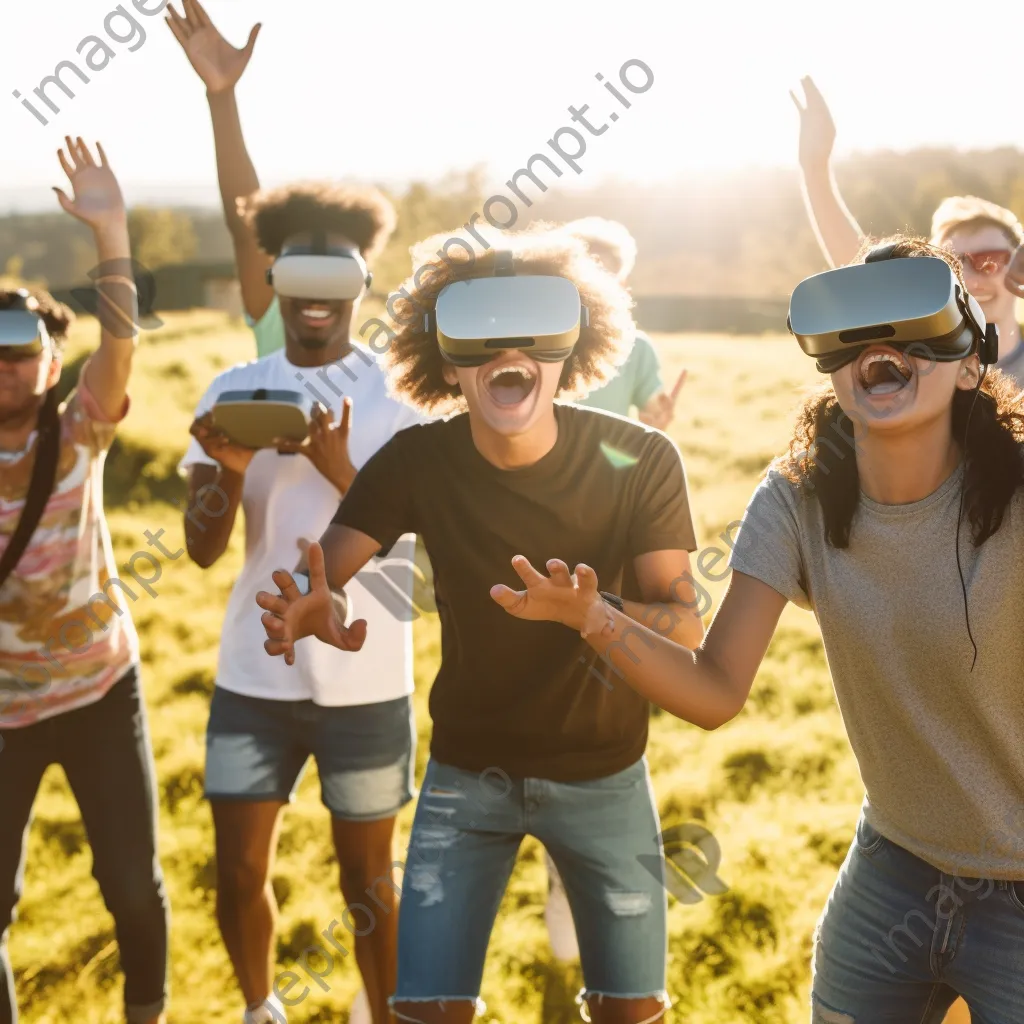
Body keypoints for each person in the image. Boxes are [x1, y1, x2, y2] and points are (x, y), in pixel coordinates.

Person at [498, 235, 1024, 1021]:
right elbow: (715, 691)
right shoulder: (800, 494)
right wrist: (595, 617)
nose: (880, 348)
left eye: (915, 324)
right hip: (895, 866)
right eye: (853, 331)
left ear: (971, 357)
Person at [256, 226, 706, 1024]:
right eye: (479, 334)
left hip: (605, 776)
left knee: (632, 1012)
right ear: (446, 358)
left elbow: (683, 628)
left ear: (576, 344)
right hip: (465, 779)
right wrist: (311, 603)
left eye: (538, 329)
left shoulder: (641, 457)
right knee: (426, 1012)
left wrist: (591, 613)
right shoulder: (414, 461)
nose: (511, 350)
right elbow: (327, 571)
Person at [0, 139, 169, 1024]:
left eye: (24, 347)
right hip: (1, 712)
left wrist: (111, 229)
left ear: (51, 364)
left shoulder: (78, 434)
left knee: (134, 891)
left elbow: (121, 340)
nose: (9, 364)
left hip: (102, 689)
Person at [790, 75, 1024, 388]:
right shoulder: (915, 361)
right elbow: (860, 265)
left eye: (989, 260)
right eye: (953, 265)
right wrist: (815, 167)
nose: (973, 277)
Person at [565, 217, 688, 428]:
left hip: (605, 461)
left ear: (621, 285)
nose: (591, 290)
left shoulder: (636, 348)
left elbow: (652, 408)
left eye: (604, 277)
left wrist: (659, 414)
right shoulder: (539, 342)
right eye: (583, 277)